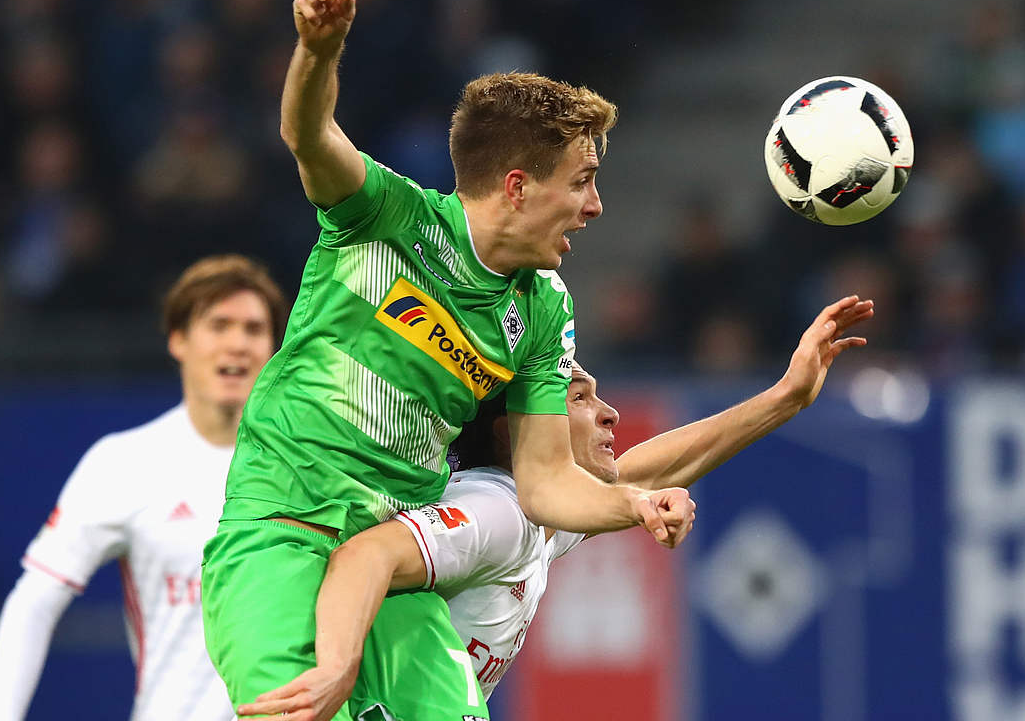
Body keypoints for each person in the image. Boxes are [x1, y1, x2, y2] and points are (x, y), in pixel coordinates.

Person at [200, 0, 695, 719]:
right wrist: (318, 50)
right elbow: (307, 133)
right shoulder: (389, 219)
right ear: (520, 186)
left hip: (393, 568)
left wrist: (634, 502)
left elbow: (544, 484)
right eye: (582, 181)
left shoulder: (541, 307)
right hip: (279, 536)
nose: (596, 207)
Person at [239, 296, 875, 719]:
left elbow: (657, 464)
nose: (610, 413)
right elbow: (365, 551)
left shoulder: (541, 512)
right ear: (518, 430)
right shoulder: (497, 512)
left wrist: (786, 398)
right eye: (578, 397)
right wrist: (336, 669)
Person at [0, 254, 288, 721]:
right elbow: (34, 600)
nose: (237, 344)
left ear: (273, 347)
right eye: (219, 325)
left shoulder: (313, 462)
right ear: (178, 340)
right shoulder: (125, 462)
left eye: (253, 329)